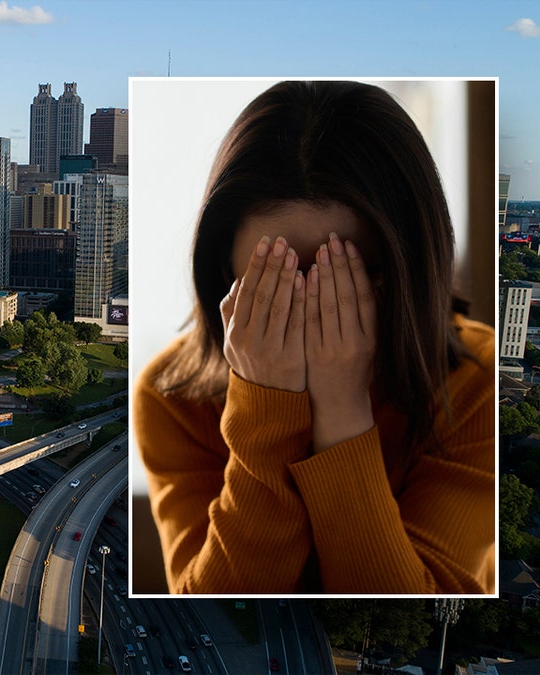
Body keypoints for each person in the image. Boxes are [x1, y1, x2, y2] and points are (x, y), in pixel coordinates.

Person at [134, 81, 495, 594]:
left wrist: (343, 408)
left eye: (348, 278)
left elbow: (420, 618)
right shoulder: (172, 395)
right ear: (223, 272)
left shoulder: (480, 384)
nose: (315, 310)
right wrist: (267, 406)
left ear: (409, 268)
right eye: (274, 282)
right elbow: (215, 614)